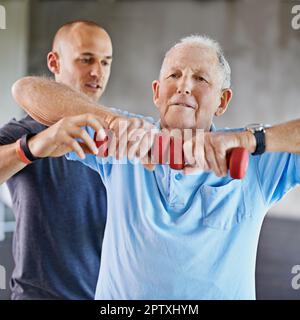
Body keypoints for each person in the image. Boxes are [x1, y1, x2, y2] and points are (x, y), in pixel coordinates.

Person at [12, 35, 300, 299]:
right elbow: (26, 90)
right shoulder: (124, 136)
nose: (184, 86)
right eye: (174, 75)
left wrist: (249, 139)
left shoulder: (258, 159)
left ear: (222, 100)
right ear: (157, 92)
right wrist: (112, 121)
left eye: (200, 78)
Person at [0, 20, 114, 300]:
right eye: (86, 59)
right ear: (54, 62)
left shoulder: (117, 137)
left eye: (105, 62)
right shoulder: (26, 131)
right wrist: (35, 147)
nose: (97, 72)